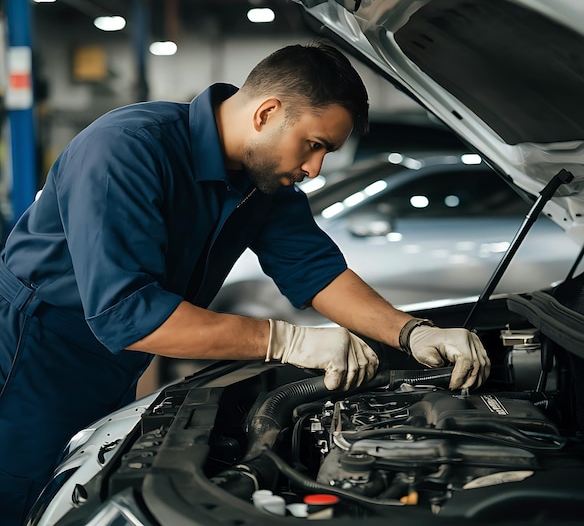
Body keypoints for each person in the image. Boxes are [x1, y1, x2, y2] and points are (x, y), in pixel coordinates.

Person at [0, 42, 489, 524]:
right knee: (21, 495)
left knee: (80, 494)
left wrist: (413, 332)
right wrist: (286, 339)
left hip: (111, 361)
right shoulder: (127, 149)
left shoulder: (262, 178)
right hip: (31, 354)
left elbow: (316, 270)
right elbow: (127, 313)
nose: (314, 168)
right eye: (314, 145)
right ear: (266, 113)